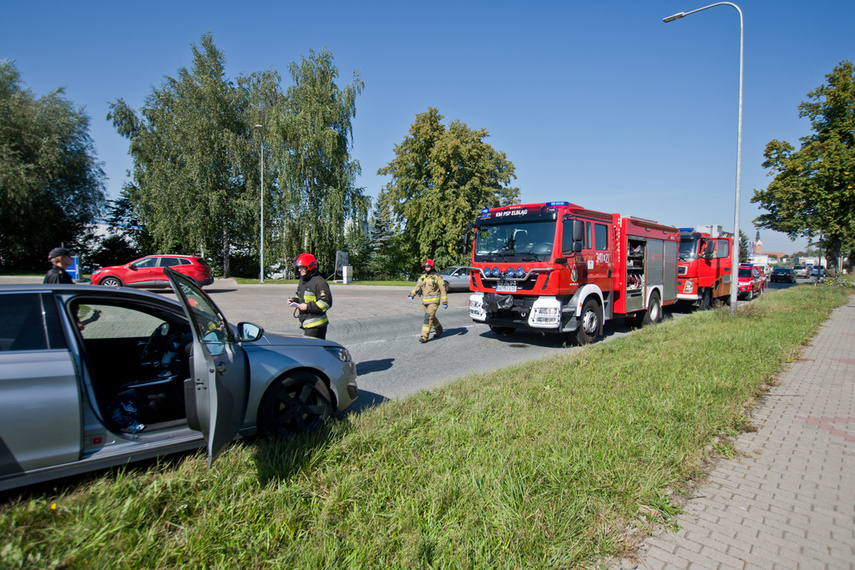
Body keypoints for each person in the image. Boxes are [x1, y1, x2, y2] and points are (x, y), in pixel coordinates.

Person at [288, 253, 332, 339]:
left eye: (301, 267)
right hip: (307, 323)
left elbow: (326, 303)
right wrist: (294, 301)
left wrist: (307, 307)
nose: (299, 270)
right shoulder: (303, 281)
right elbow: (304, 299)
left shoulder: (319, 282)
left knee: (313, 351)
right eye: (299, 267)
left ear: (309, 266)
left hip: (317, 325)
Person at [409, 258, 448, 343]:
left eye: (428, 267)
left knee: (428, 317)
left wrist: (444, 302)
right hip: (425, 302)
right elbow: (417, 287)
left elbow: (443, 290)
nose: (426, 268)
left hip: (434, 302)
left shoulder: (438, 277)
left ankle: (424, 336)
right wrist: (411, 295)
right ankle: (438, 329)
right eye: (425, 267)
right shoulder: (423, 278)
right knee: (431, 317)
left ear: (432, 267)